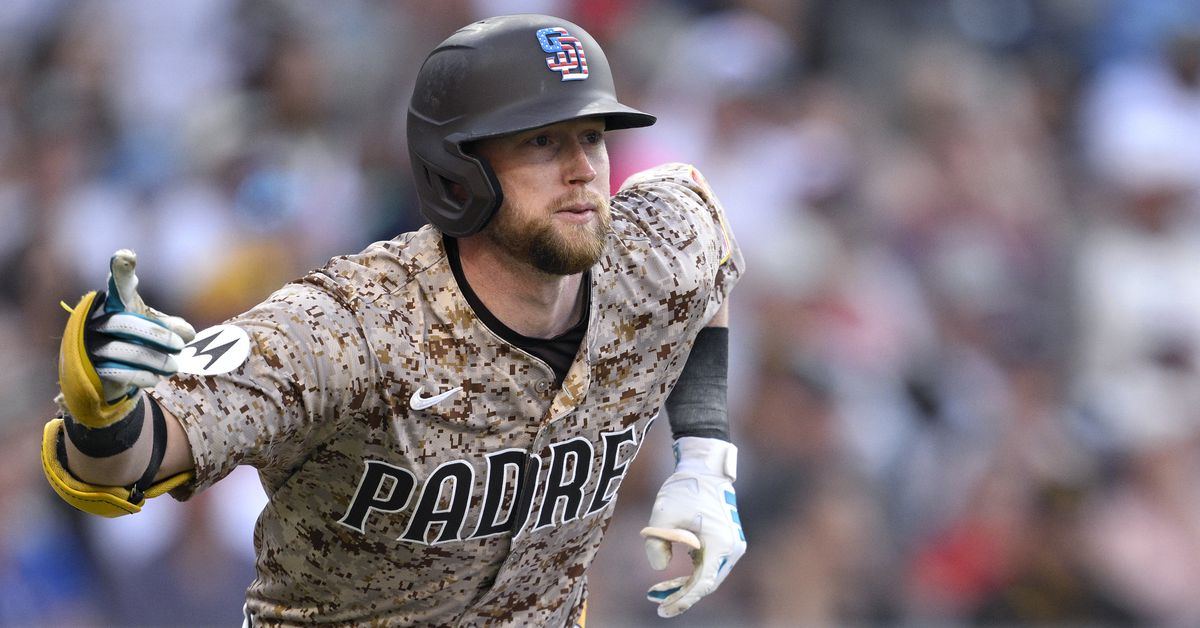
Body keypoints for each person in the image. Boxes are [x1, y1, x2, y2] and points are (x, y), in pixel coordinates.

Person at [41, 14, 746, 626]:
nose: (583, 169)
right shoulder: (345, 328)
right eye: (541, 142)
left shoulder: (648, 253)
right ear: (459, 169)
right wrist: (103, 411)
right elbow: (132, 457)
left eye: (592, 137)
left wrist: (705, 463)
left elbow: (701, 242)